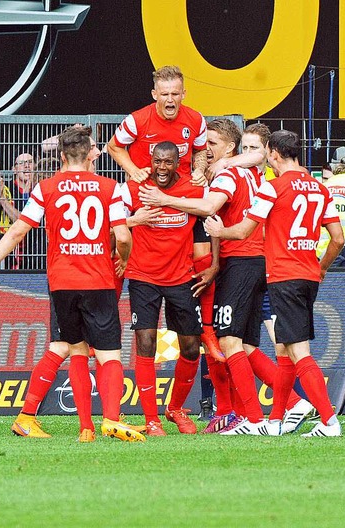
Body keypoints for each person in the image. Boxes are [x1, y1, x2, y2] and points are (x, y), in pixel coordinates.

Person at [0, 126, 145, 443]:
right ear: (88, 154)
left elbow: (17, 232)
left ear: (62, 156)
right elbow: (122, 236)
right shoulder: (110, 187)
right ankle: (109, 420)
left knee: (72, 349)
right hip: (98, 279)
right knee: (110, 356)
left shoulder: (46, 188)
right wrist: (124, 258)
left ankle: (84, 429)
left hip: (62, 282)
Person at [140, 120, 313, 435]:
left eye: (213, 142)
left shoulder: (228, 174)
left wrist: (165, 200)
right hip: (257, 262)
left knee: (226, 341)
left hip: (241, 263)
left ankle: (257, 417)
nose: (205, 147)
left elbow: (209, 208)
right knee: (243, 345)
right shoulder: (251, 173)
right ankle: (275, 408)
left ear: (230, 148)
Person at [205, 129, 345, 437]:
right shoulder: (321, 189)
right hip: (308, 275)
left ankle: (329, 421)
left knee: (299, 352)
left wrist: (218, 229)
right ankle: (275, 420)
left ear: (275, 155)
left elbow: (243, 231)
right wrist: (320, 268)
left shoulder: (272, 187)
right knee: (282, 351)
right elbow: (338, 238)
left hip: (283, 275)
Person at [106, 64, 221, 362]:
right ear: (154, 94)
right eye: (164, 94)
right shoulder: (138, 120)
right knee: (121, 239)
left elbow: (199, 152)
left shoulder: (195, 119)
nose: (170, 100)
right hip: (145, 191)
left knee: (202, 251)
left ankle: (205, 326)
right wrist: (135, 172)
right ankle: (104, 322)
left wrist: (198, 170)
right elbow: (114, 147)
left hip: (183, 193)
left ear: (184, 93)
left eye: (175, 94)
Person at [121, 141, 210, 436]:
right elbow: (112, 224)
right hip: (143, 276)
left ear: (178, 162)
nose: (162, 168)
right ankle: (151, 420)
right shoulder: (135, 187)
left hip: (181, 277)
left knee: (190, 347)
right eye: (157, 161)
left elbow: (211, 221)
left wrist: (213, 265)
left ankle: (174, 409)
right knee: (146, 344)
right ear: (151, 160)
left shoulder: (194, 189)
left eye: (168, 162)